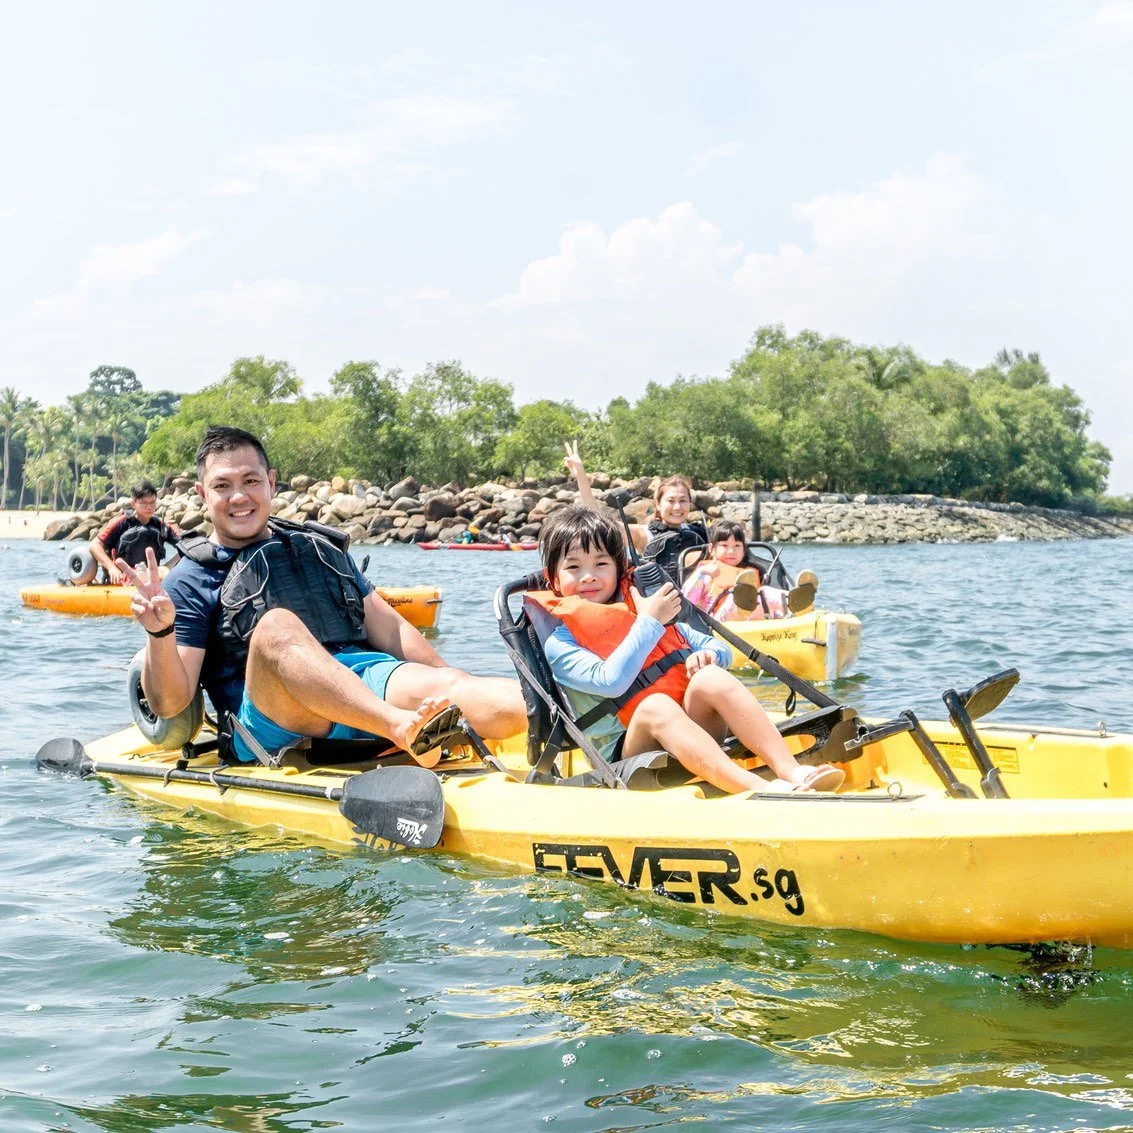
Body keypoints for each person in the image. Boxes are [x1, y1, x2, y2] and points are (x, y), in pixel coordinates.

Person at [124, 425, 525, 768]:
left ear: (271, 482)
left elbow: (389, 628)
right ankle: (397, 727)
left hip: (363, 679)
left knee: (473, 692)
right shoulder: (190, 578)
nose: (239, 497)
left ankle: (572, 723)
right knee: (276, 625)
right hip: (273, 716)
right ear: (202, 493)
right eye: (222, 486)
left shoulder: (317, 548)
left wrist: (443, 685)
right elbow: (169, 705)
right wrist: (160, 633)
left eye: (250, 481)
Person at [525, 506, 844, 795]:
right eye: (574, 567)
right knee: (655, 705)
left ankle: (793, 772)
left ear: (620, 567)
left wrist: (709, 657)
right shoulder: (561, 640)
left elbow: (723, 651)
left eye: (601, 563)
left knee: (709, 678)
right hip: (626, 760)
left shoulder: (641, 606)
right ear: (554, 578)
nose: (589, 575)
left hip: (689, 734)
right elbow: (612, 682)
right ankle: (759, 789)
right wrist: (650, 621)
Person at [563, 441, 708, 582]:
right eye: (670, 501)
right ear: (658, 504)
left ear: (690, 503)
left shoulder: (700, 532)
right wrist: (581, 475)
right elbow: (600, 522)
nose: (677, 507)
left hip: (697, 601)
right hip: (664, 601)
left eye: (683, 500)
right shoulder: (643, 535)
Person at [681, 520, 794, 621]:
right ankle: (743, 599)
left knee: (764, 592)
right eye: (724, 545)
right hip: (717, 623)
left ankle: (792, 602)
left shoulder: (749, 572)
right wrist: (701, 573)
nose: (731, 551)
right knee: (736, 596)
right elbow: (686, 599)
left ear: (744, 550)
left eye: (737, 546)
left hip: (750, 623)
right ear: (712, 549)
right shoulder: (707, 571)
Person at [90, 480, 181, 585]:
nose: (149, 507)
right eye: (144, 503)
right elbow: (94, 545)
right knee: (159, 574)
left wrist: (167, 566)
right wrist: (111, 568)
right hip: (124, 576)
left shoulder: (161, 526)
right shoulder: (121, 523)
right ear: (133, 504)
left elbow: (185, 545)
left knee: (184, 554)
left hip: (152, 575)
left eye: (152, 502)